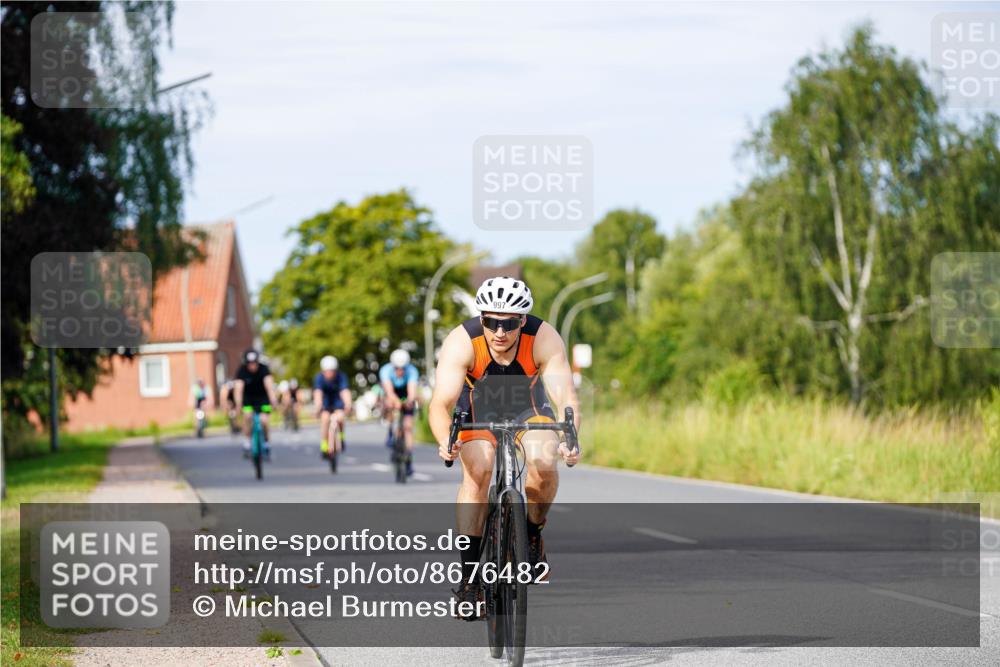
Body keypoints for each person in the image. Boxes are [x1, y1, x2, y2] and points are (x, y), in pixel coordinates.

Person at [428, 276, 580, 619]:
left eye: (509, 323)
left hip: (528, 407)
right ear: (481, 319)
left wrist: (571, 439)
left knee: (543, 461)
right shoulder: (462, 341)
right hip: (477, 410)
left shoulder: (543, 337)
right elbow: (441, 403)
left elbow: (566, 397)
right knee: (479, 470)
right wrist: (444, 441)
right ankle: (469, 582)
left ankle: (531, 537)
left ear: (522, 321)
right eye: (491, 322)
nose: (499, 332)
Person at [379, 349, 420, 476]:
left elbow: (412, 391)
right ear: (393, 366)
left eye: (403, 368)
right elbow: (389, 392)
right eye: (397, 368)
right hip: (392, 393)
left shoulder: (412, 371)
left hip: (405, 393)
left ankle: (408, 458)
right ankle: (391, 430)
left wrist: (410, 400)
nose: (400, 371)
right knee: (390, 403)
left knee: (408, 427)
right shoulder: (385, 371)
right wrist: (395, 401)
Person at [234, 349, 278, 458]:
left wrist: (273, 400)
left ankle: (266, 443)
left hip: (262, 398)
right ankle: (247, 442)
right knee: (247, 417)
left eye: (254, 363)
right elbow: (238, 389)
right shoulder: (242, 371)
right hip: (248, 398)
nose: (252, 366)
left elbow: (269, 385)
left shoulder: (264, 369)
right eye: (250, 364)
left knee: (264, 420)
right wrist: (238, 404)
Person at [313, 356, 352, 459]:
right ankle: (324, 445)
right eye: (327, 371)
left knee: (340, 417)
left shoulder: (341, 377)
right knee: (325, 419)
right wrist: (318, 407)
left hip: (337, 401)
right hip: (325, 402)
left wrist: (348, 404)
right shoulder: (319, 378)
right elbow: (318, 393)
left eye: (332, 371)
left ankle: (342, 437)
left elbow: (345, 391)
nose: (330, 373)